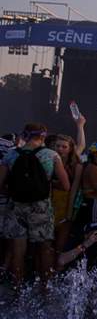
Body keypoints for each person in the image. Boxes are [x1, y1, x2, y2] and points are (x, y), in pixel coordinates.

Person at [0, 123, 71, 289]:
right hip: (41, 207)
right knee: (44, 249)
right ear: (43, 136)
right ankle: (45, 290)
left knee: (18, 252)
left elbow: (0, 185)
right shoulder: (51, 155)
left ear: (25, 135)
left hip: (16, 206)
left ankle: (17, 291)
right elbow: (66, 185)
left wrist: (13, 192)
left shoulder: (10, 155)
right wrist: (45, 184)